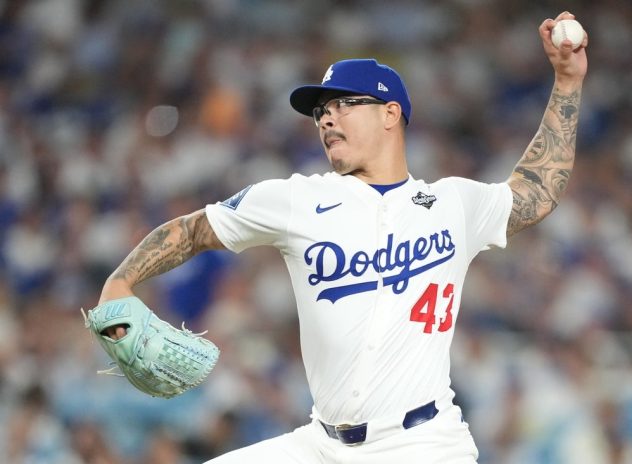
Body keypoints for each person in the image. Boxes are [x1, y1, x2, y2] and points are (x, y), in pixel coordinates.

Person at [97, 11, 587, 464]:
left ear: (390, 114)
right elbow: (193, 229)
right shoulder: (295, 199)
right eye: (320, 112)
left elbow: (537, 191)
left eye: (343, 104)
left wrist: (567, 82)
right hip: (321, 444)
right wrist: (120, 282)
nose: (326, 118)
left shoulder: (452, 204)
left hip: (424, 444)